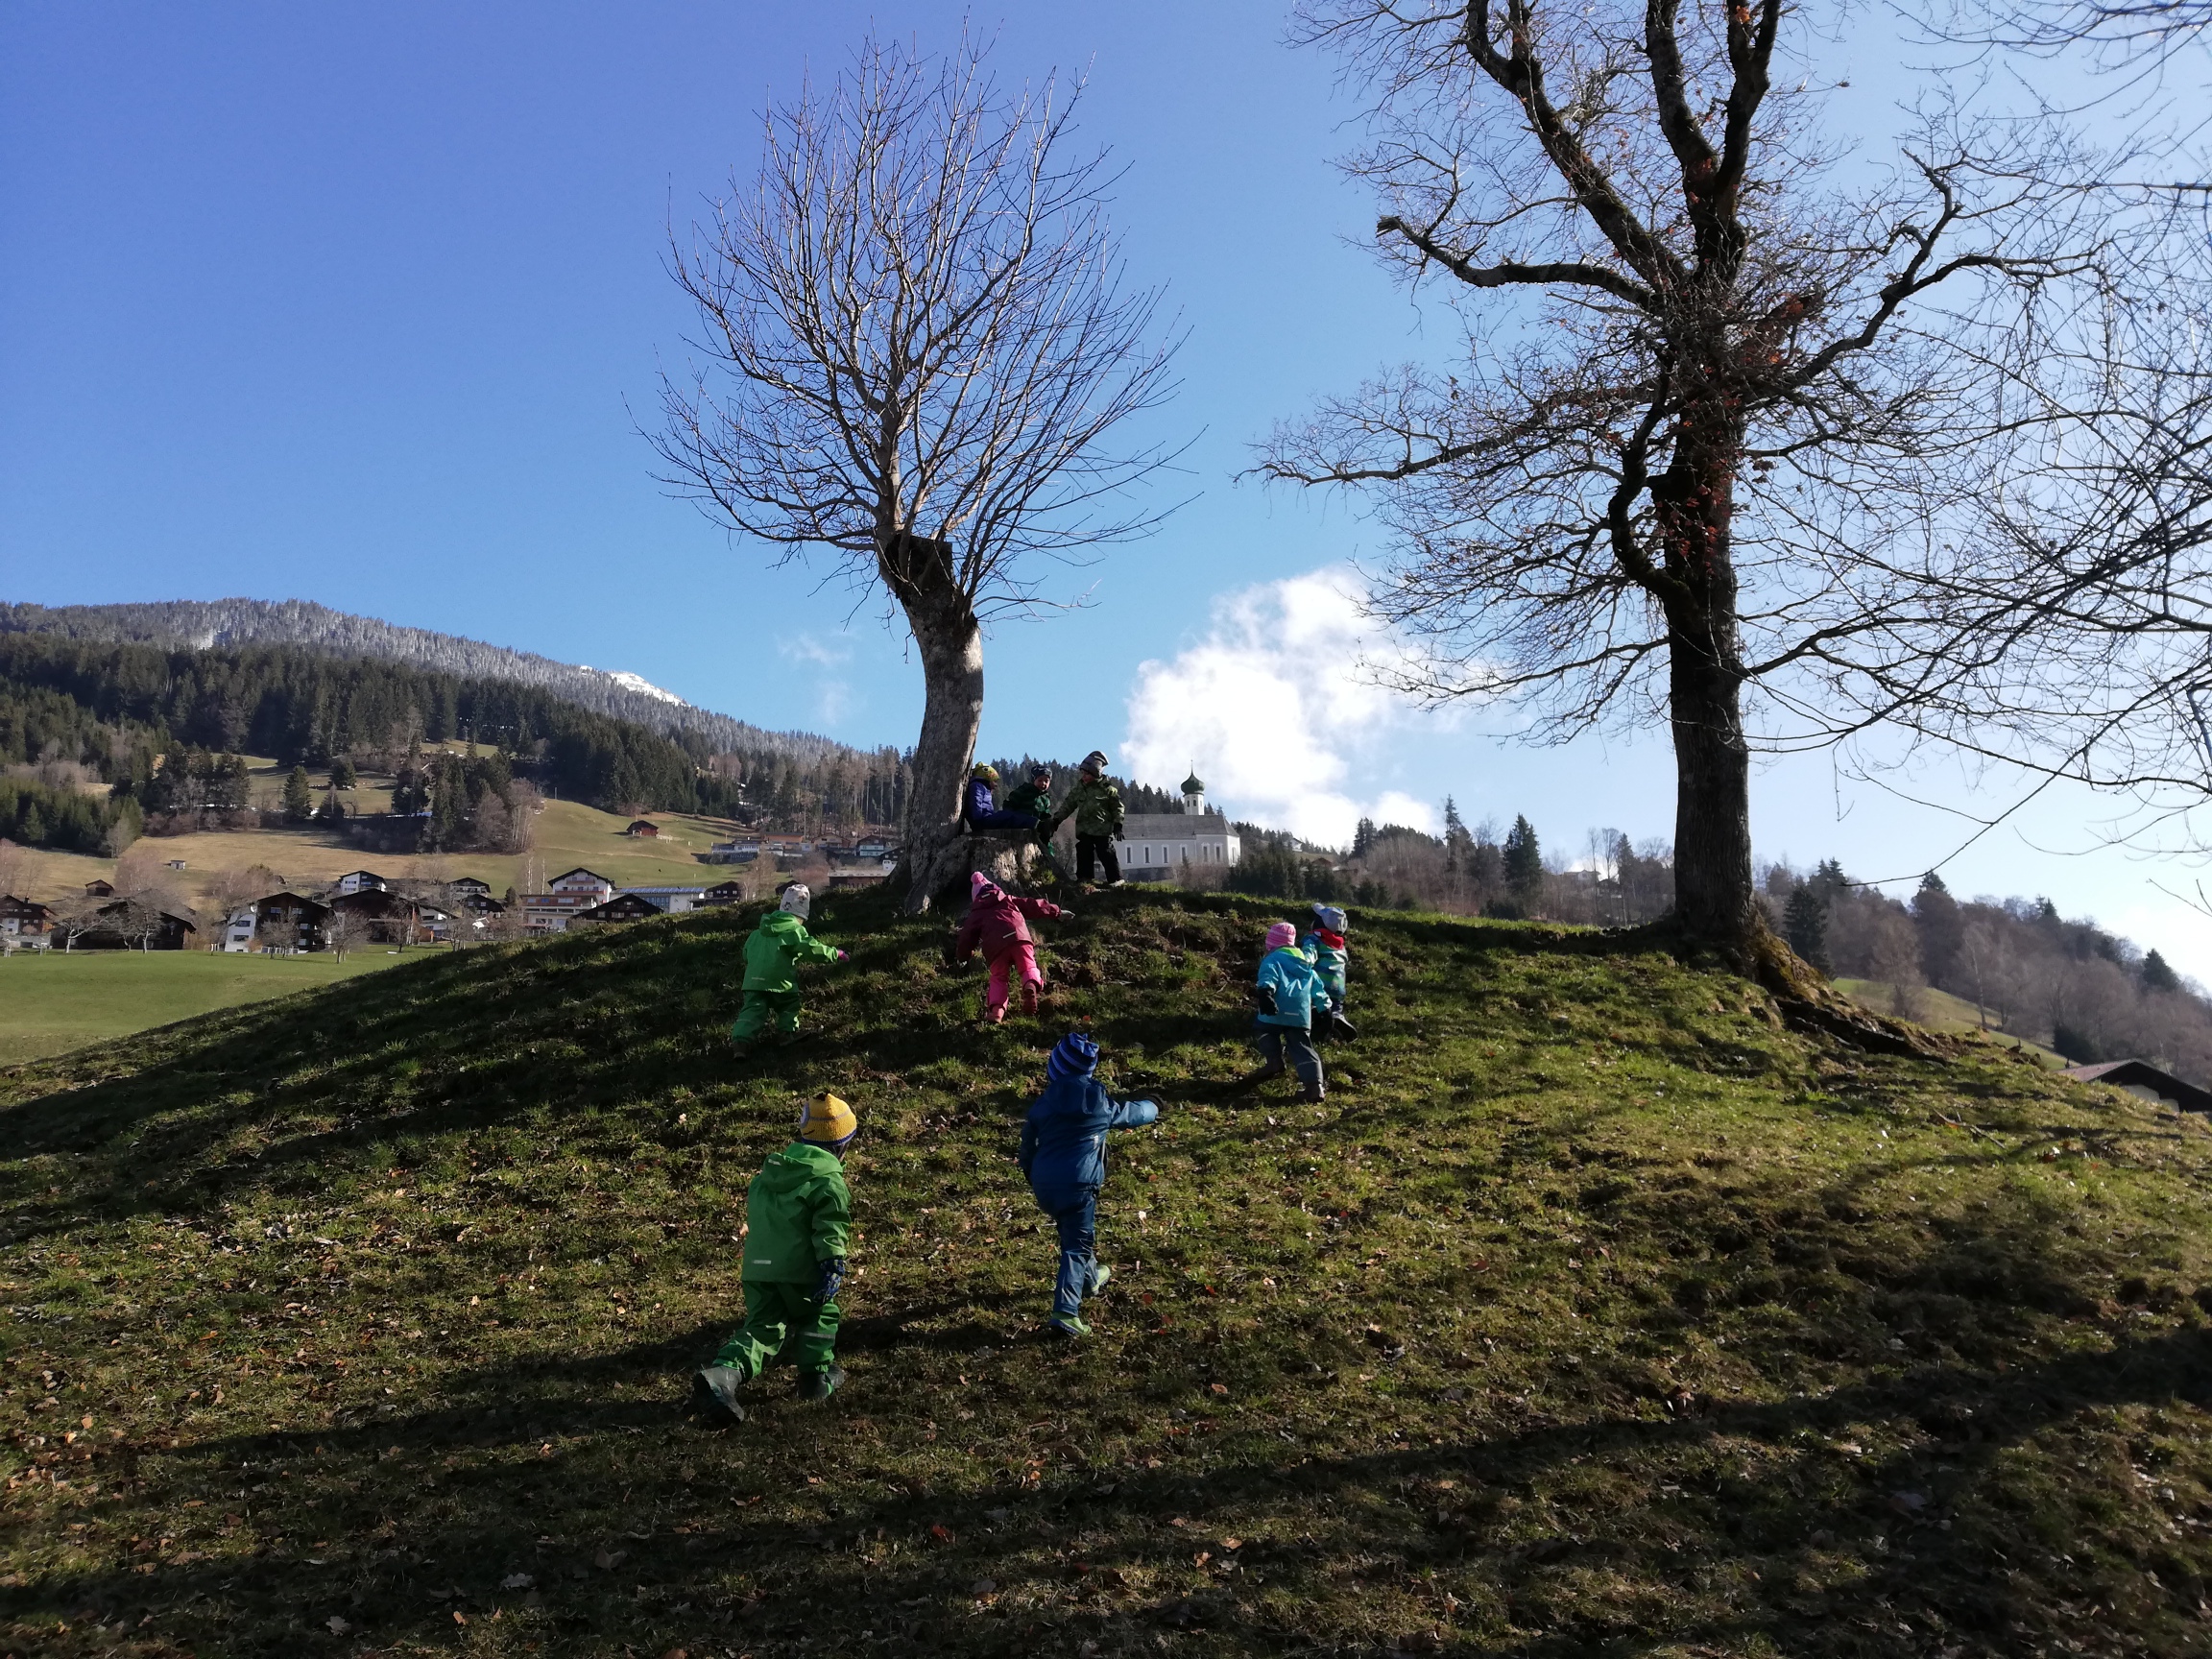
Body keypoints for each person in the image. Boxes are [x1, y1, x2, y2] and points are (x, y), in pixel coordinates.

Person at [694, 1094, 858, 1420]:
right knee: (819, 1316)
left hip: (757, 1270)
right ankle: (815, 1379)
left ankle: (723, 1374)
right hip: (800, 1270)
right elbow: (830, 1224)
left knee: (763, 1328)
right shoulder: (829, 1181)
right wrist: (832, 1262)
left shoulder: (767, 1176)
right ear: (843, 1145)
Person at [1019, 1032, 1160, 1337]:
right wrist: (1154, 1105)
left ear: (1054, 1070)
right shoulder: (1099, 1103)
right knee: (1076, 1245)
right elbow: (1132, 1114)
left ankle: (1091, 1277)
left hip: (1045, 1183)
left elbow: (1027, 1145)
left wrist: (1031, 1174)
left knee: (1072, 1230)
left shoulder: (1043, 1105)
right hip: (1079, 1184)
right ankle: (1065, 1312)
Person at [731, 884, 846, 1050]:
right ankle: (787, 1033)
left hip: (753, 982)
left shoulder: (757, 933)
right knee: (789, 1005)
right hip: (780, 982)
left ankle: (740, 1042)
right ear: (801, 915)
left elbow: (746, 954)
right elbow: (811, 948)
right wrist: (835, 953)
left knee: (752, 1010)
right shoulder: (794, 931)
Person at [953, 871, 1069, 1022]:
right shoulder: (1008, 899)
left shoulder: (976, 914)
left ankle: (996, 1012)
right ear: (995, 889)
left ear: (976, 897)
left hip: (996, 949)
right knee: (1028, 967)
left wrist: (963, 956)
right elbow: (1034, 905)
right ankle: (1029, 985)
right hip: (1019, 938)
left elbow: (966, 938)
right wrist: (1057, 912)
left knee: (999, 978)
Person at [1247, 920, 1329, 1102]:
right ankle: (1315, 1087)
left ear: (1271, 944)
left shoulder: (1272, 959)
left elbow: (1268, 977)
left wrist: (1266, 994)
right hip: (1300, 1015)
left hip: (1275, 1011)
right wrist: (1325, 1008)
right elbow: (1318, 987)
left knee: (1263, 1029)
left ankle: (1274, 1061)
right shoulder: (1306, 963)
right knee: (1302, 1046)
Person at [1046, 751, 1123, 886]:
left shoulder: (1108, 790)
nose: (1084, 777)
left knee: (1106, 852)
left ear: (1096, 773)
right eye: (1083, 773)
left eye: (1087, 774)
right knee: (1083, 851)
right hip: (1084, 829)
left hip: (1102, 829)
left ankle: (1116, 879)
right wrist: (1057, 819)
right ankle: (1085, 879)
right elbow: (1068, 805)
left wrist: (1118, 824)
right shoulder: (1079, 789)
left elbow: (1118, 808)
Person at [1301, 904, 1357, 1042]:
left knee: (1314, 1004)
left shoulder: (1314, 939)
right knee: (1335, 1006)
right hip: (1338, 986)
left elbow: (1309, 955)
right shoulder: (1340, 946)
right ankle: (1336, 1016)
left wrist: (1302, 963)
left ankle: (1315, 1017)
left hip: (1320, 984)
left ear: (1318, 923)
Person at [963, 763, 1044, 834]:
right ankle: (1036, 824)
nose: (996, 785)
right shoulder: (977, 786)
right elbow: (975, 803)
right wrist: (977, 820)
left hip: (984, 819)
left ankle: (1035, 824)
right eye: (994, 781)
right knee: (1009, 816)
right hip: (982, 820)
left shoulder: (981, 787)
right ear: (987, 777)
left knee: (1007, 817)